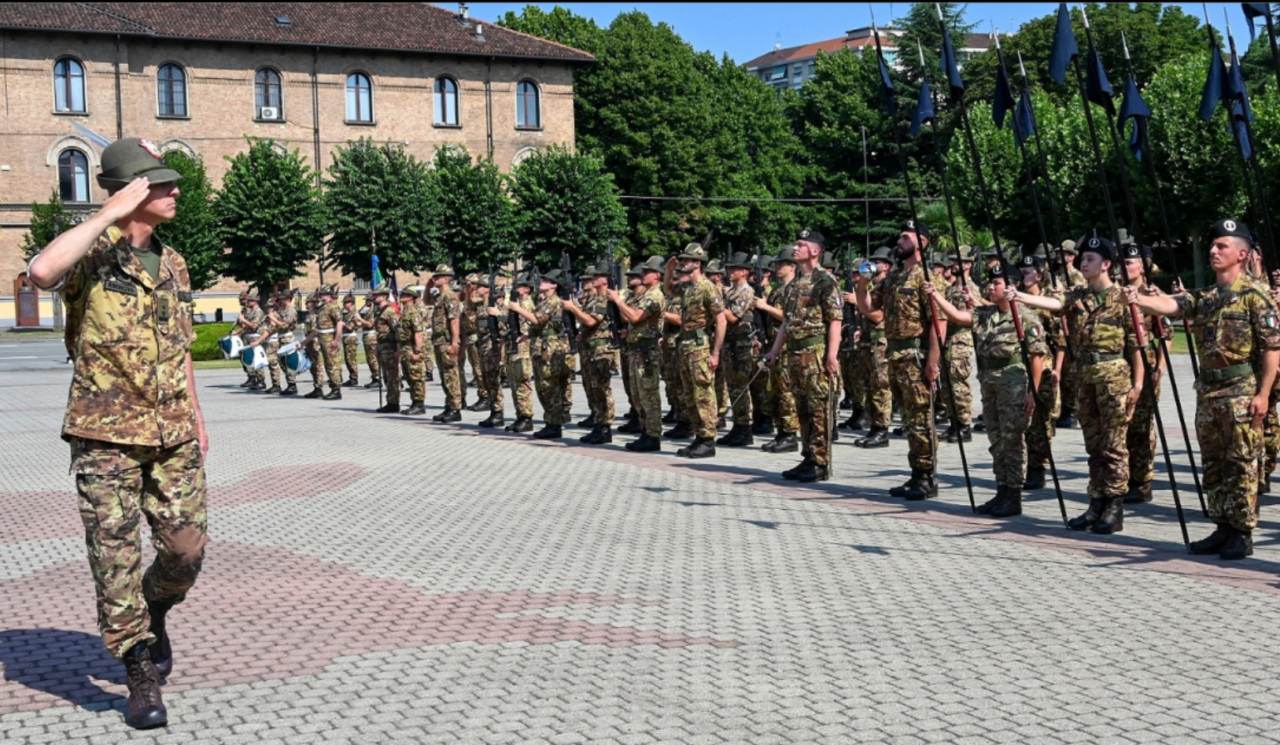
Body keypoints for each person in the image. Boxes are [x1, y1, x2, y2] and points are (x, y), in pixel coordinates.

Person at [26, 138, 209, 729]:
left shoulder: (175, 262)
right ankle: (138, 672)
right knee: (115, 559)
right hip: (104, 435)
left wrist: (198, 417)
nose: (176, 192)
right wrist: (105, 213)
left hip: (172, 433)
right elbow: (41, 271)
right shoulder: (91, 254)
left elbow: (178, 348)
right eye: (162, 185)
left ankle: (155, 610)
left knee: (185, 552)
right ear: (132, 190)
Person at [1125, 219, 1280, 560]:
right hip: (1208, 392)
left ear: (1241, 253)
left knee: (1241, 462)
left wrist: (1264, 395)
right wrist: (1139, 301)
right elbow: (1173, 306)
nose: (1213, 250)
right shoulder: (1207, 296)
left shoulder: (1256, 297)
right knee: (1213, 463)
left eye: (1221, 246)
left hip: (1241, 389)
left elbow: (1272, 348)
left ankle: (1242, 531)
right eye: (1212, 246)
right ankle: (1221, 525)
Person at [1013, 236, 1141, 534]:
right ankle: (1095, 503)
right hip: (1085, 378)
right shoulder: (1078, 296)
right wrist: (1019, 296)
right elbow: (1054, 303)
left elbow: (1136, 345)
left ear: (1106, 264)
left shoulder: (1123, 298)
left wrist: (1137, 385)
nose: (1084, 263)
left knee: (1113, 446)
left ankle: (1114, 506)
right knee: (1093, 445)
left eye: (1091, 259)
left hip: (1114, 378)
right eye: (1082, 259)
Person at [928, 260, 1046, 517]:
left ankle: (1013, 494)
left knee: (1012, 439)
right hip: (990, 383)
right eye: (991, 282)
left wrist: (1032, 393)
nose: (990, 287)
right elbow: (958, 316)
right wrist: (936, 295)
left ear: (1012, 286)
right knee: (996, 439)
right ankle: (1001, 490)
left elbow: (1037, 356)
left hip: (1014, 384)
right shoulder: (987, 314)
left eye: (996, 283)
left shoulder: (1025, 316)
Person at [857, 221, 943, 500]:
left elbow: (937, 324)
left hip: (915, 355)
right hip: (894, 355)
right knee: (908, 419)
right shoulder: (893, 277)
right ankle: (916, 473)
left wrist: (932, 362)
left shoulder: (927, 278)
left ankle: (928, 476)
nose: (899, 240)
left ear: (923, 242)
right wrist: (861, 284)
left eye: (906, 237)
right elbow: (870, 308)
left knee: (921, 417)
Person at [764, 230, 842, 482]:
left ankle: (820, 462)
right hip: (795, 354)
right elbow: (787, 322)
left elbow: (835, 321)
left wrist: (831, 355)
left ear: (815, 251)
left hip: (815, 352)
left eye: (800, 245)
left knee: (819, 408)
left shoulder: (825, 281)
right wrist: (775, 351)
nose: (795, 249)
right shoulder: (795, 284)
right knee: (802, 408)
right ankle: (808, 456)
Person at [664, 243, 726, 458]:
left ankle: (708, 440)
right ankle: (698, 436)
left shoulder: (708, 287)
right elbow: (668, 289)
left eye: (687, 260)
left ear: (697, 263)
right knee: (689, 393)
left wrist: (716, 353)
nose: (683, 263)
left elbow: (721, 320)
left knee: (703, 393)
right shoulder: (688, 287)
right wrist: (669, 270)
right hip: (685, 344)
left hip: (700, 346)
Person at [1119, 238, 1168, 505]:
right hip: (1119, 367)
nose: (1124, 267)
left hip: (1147, 366)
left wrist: (1160, 366)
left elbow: (1166, 334)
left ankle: (1142, 480)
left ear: (1143, 266)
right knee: (1122, 426)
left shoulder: (1152, 295)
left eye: (1129, 262)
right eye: (1122, 262)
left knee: (1141, 426)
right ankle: (1123, 477)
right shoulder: (1117, 293)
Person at [1016, 254, 1065, 491]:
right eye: (1022, 272)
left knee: (1041, 420)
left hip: (1045, 366)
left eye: (1028, 272)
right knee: (1023, 420)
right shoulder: (1018, 303)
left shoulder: (1048, 303)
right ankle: (1024, 466)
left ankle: (1038, 467)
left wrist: (1057, 369)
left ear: (1040, 275)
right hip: (1020, 368)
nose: (1024, 276)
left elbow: (1062, 339)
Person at [610, 256, 667, 451]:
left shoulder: (655, 296)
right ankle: (645, 431)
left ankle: (653, 435)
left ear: (657, 275)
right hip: (637, 350)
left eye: (646, 272)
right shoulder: (643, 295)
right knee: (638, 395)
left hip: (647, 352)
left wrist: (617, 300)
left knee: (649, 395)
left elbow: (635, 316)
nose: (642, 275)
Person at [510, 269, 572, 439]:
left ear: (554, 285)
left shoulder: (553, 302)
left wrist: (517, 309)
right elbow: (541, 326)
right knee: (543, 387)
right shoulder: (544, 302)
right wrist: (527, 335)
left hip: (550, 350)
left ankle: (554, 424)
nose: (542, 282)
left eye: (546, 280)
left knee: (550, 387)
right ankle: (550, 422)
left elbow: (538, 320)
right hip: (541, 347)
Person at [564, 261, 619, 444]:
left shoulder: (604, 299)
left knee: (602, 390)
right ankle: (597, 422)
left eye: (596, 276)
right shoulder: (594, 299)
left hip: (601, 350)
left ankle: (605, 427)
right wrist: (581, 334)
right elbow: (587, 326)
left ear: (605, 280)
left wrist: (573, 309)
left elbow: (591, 321)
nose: (592, 279)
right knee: (592, 388)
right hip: (589, 349)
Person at [756, 246, 800, 453]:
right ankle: (781, 432)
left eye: (781, 264)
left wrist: (765, 307)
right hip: (773, 346)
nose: (777, 267)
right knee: (774, 392)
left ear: (792, 266)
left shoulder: (794, 289)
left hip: (786, 348)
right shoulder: (777, 290)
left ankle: (790, 434)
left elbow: (789, 318)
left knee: (786, 392)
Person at [849, 247, 895, 448]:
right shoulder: (871, 288)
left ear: (887, 266)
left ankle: (881, 429)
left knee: (880, 387)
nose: (874, 264)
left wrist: (858, 303)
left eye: (878, 261)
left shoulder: (888, 287)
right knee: (868, 386)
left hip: (880, 343)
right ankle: (873, 425)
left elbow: (878, 316)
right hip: (867, 342)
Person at [718, 251, 761, 447]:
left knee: (740, 388)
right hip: (731, 344)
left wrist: (717, 304)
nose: (729, 271)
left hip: (742, 345)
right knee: (733, 387)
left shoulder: (745, 291)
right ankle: (737, 425)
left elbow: (734, 317)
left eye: (733, 268)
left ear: (744, 272)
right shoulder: (732, 292)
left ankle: (744, 428)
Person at [503, 274, 537, 433]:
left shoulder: (528, 305)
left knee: (522, 383)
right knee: (514, 383)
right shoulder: (517, 304)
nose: (515, 289)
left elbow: (530, 326)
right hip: (513, 347)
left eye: (519, 286)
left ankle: (526, 416)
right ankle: (520, 415)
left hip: (523, 348)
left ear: (527, 289)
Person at [429, 265, 463, 422]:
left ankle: (455, 409)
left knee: (451, 375)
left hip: (447, 340)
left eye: (438, 276)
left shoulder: (450, 297)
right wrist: (428, 286)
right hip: (438, 341)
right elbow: (426, 301)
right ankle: (449, 406)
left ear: (447, 279)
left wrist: (454, 343)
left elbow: (454, 320)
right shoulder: (440, 297)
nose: (434, 278)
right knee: (444, 376)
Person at [476, 276, 507, 428]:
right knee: (487, 381)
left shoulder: (497, 307)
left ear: (487, 289)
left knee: (494, 381)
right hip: (483, 348)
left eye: (479, 286)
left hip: (493, 347)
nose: (476, 289)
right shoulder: (481, 306)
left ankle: (498, 413)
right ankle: (493, 411)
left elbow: (506, 326)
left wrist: (499, 353)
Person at [396, 286, 428, 415]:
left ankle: (419, 404)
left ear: (410, 297)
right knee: (409, 376)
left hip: (411, 346)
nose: (401, 297)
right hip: (405, 347)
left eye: (404, 295)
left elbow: (418, 333)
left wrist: (417, 351)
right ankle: (414, 402)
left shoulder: (413, 313)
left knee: (416, 377)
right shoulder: (405, 312)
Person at [371, 286, 402, 414]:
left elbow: (397, 330)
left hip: (390, 347)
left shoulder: (389, 311)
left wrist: (398, 349)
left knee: (392, 376)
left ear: (384, 297)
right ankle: (390, 401)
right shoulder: (380, 311)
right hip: (383, 346)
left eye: (377, 295)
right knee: (386, 376)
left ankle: (394, 403)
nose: (374, 298)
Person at [230, 290, 267, 391]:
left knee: (256, 359)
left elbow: (254, 326)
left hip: (255, 336)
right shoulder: (249, 311)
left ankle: (261, 380)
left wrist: (243, 320)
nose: (247, 302)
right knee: (249, 358)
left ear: (255, 301)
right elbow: (246, 326)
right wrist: (240, 324)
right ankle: (252, 378)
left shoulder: (258, 312)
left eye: (250, 301)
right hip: (248, 336)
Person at [358, 292, 381, 388]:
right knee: (370, 359)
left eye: (367, 300)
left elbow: (370, 324)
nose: (366, 302)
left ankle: (377, 378)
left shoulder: (373, 312)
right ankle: (375, 376)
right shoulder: (368, 311)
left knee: (373, 359)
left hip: (372, 337)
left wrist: (360, 319)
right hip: (367, 337)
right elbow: (362, 325)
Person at [340, 292, 361, 387]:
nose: (344, 305)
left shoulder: (354, 314)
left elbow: (351, 327)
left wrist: (341, 324)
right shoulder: (347, 314)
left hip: (351, 338)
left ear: (350, 303)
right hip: (346, 338)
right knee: (348, 359)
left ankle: (354, 378)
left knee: (351, 359)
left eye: (345, 303)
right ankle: (352, 377)